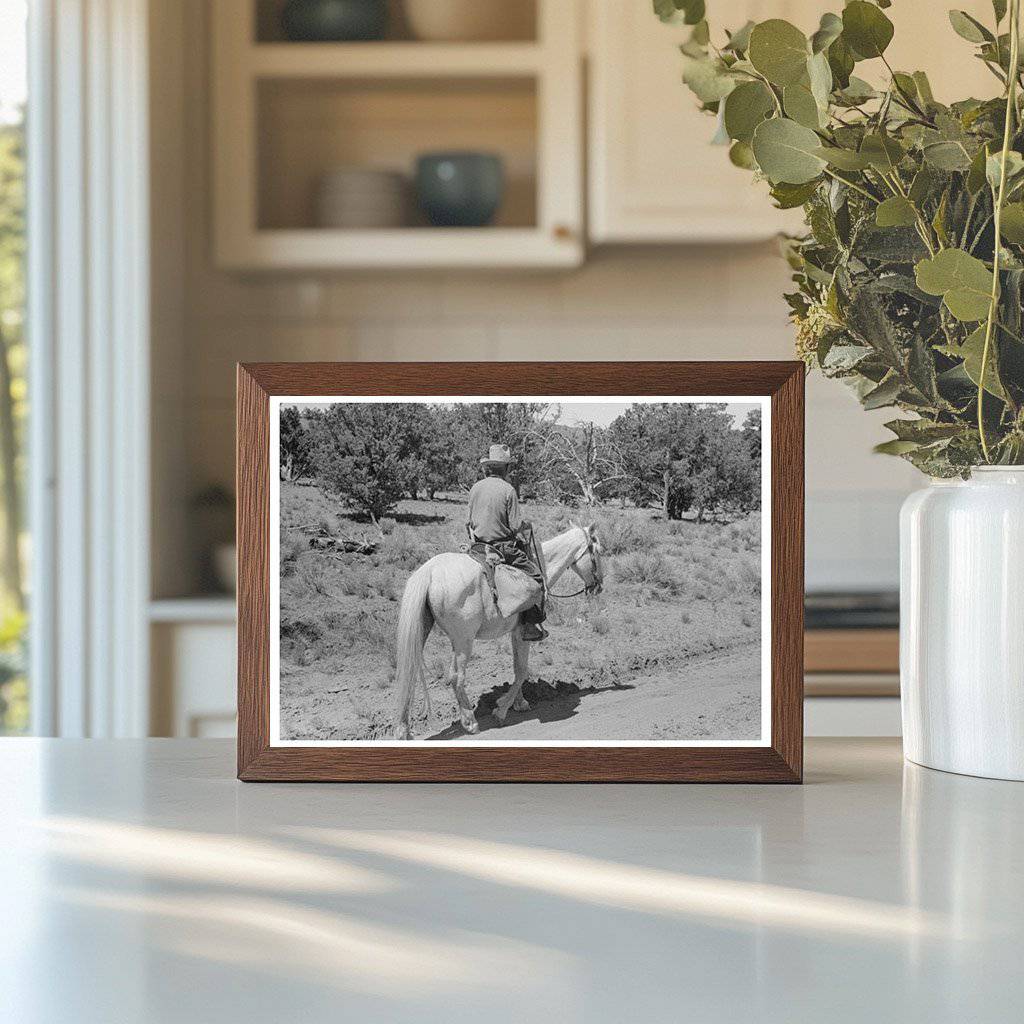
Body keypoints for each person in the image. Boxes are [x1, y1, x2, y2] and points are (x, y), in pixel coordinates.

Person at [466, 444, 548, 641]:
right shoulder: (508, 490)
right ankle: (529, 625)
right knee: (536, 578)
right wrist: (525, 525)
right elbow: (514, 526)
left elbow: (467, 522)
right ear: (506, 469)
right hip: (503, 548)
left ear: (488, 468)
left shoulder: (475, 488)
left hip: (477, 547)